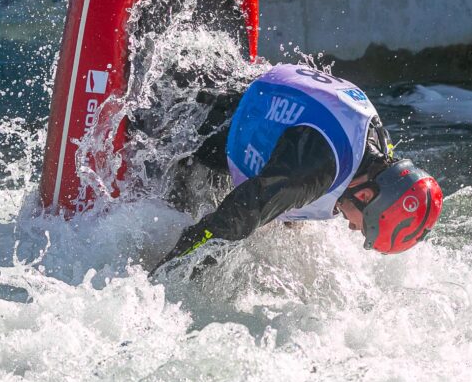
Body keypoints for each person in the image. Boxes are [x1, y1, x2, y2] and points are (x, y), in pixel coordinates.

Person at [151, 63, 444, 274]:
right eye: (363, 226)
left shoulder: (379, 149)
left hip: (235, 75)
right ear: (366, 196)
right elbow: (232, 220)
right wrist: (165, 278)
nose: (353, 228)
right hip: (198, 117)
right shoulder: (315, 171)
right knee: (206, 217)